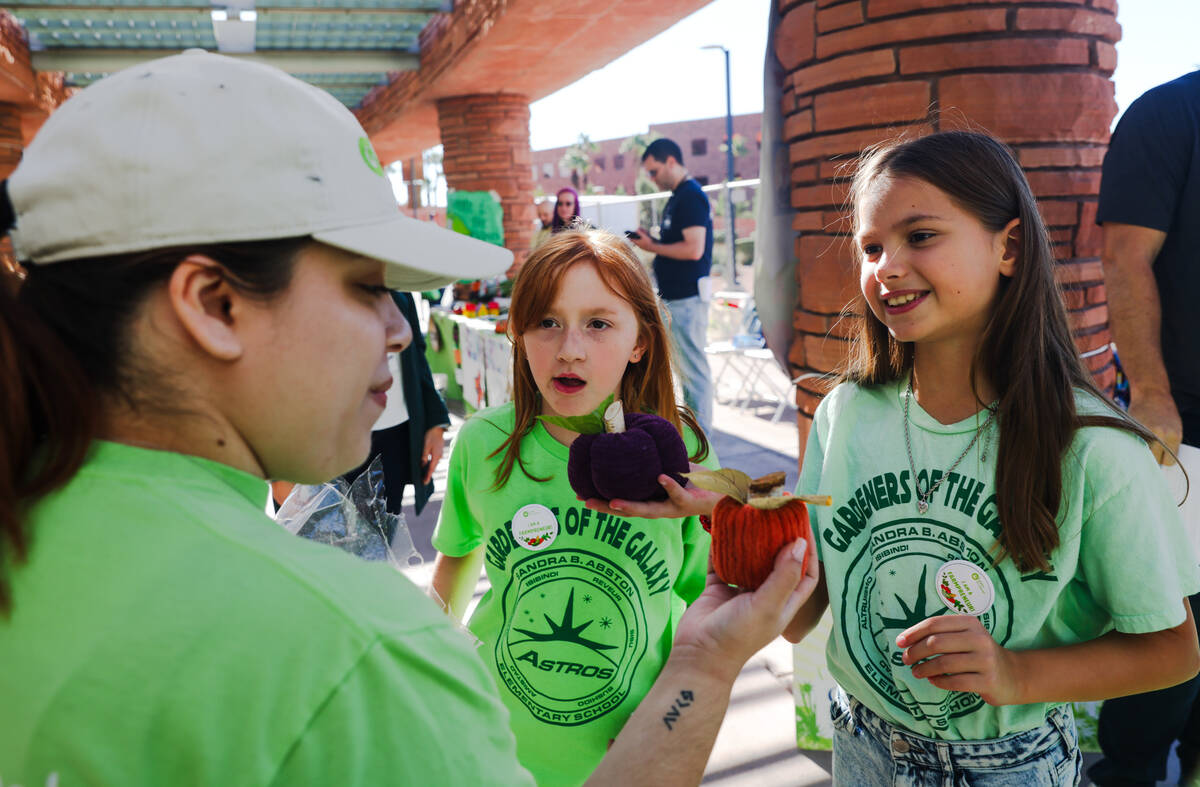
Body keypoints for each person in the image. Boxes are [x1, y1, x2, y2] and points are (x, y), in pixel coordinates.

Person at [0, 51, 820, 786]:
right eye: (367, 287)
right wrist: (706, 670)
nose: (400, 329)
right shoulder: (357, 655)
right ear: (215, 305)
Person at [783, 131, 1200, 784]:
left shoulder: (1097, 449)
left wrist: (1014, 673)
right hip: (857, 735)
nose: (885, 266)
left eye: (919, 236)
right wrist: (728, 531)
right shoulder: (844, 413)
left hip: (1006, 764)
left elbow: (1173, 651)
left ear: (1008, 246)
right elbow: (801, 609)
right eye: (871, 246)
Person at [430, 228, 733, 786]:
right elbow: (457, 558)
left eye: (598, 323)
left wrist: (673, 708)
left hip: (631, 744)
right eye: (547, 321)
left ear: (640, 339)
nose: (569, 347)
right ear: (519, 334)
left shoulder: (683, 454)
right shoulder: (482, 443)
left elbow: (702, 595)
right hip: (496, 742)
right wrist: (430, 677)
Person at [1088, 69, 1200, 787]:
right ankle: (1127, 773)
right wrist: (1152, 394)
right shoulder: (1169, 113)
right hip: (1187, 429)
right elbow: (1125, 257)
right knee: (1170, 624)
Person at [629, 138, 714, 438]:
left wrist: (651, 245)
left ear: (670, 162)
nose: (652, 179)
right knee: (684, 372)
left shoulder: (690, 195)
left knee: (693, 373)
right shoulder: (679, 196)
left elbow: (693, 249)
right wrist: (652, 239)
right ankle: (693, 436)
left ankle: (702, 442)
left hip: (687, 298)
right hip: (677, 298)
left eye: (653, 172)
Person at [341, 290, 450, 517]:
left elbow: (416, 354)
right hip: (331, 437)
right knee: (325, 539)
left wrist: (434, 420)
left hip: (394, 432)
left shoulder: (396, 280)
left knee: (383, 536)